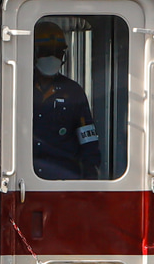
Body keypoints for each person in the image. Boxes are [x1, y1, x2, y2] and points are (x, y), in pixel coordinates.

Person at [31, 20, 101, 179]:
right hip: (25, 177)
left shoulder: (73, 91)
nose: (52, 57)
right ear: (33, 52)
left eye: (58, 52)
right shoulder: (17, 86)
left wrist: (91, 180)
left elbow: (88, 140)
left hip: (64, 177)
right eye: (46, 51)